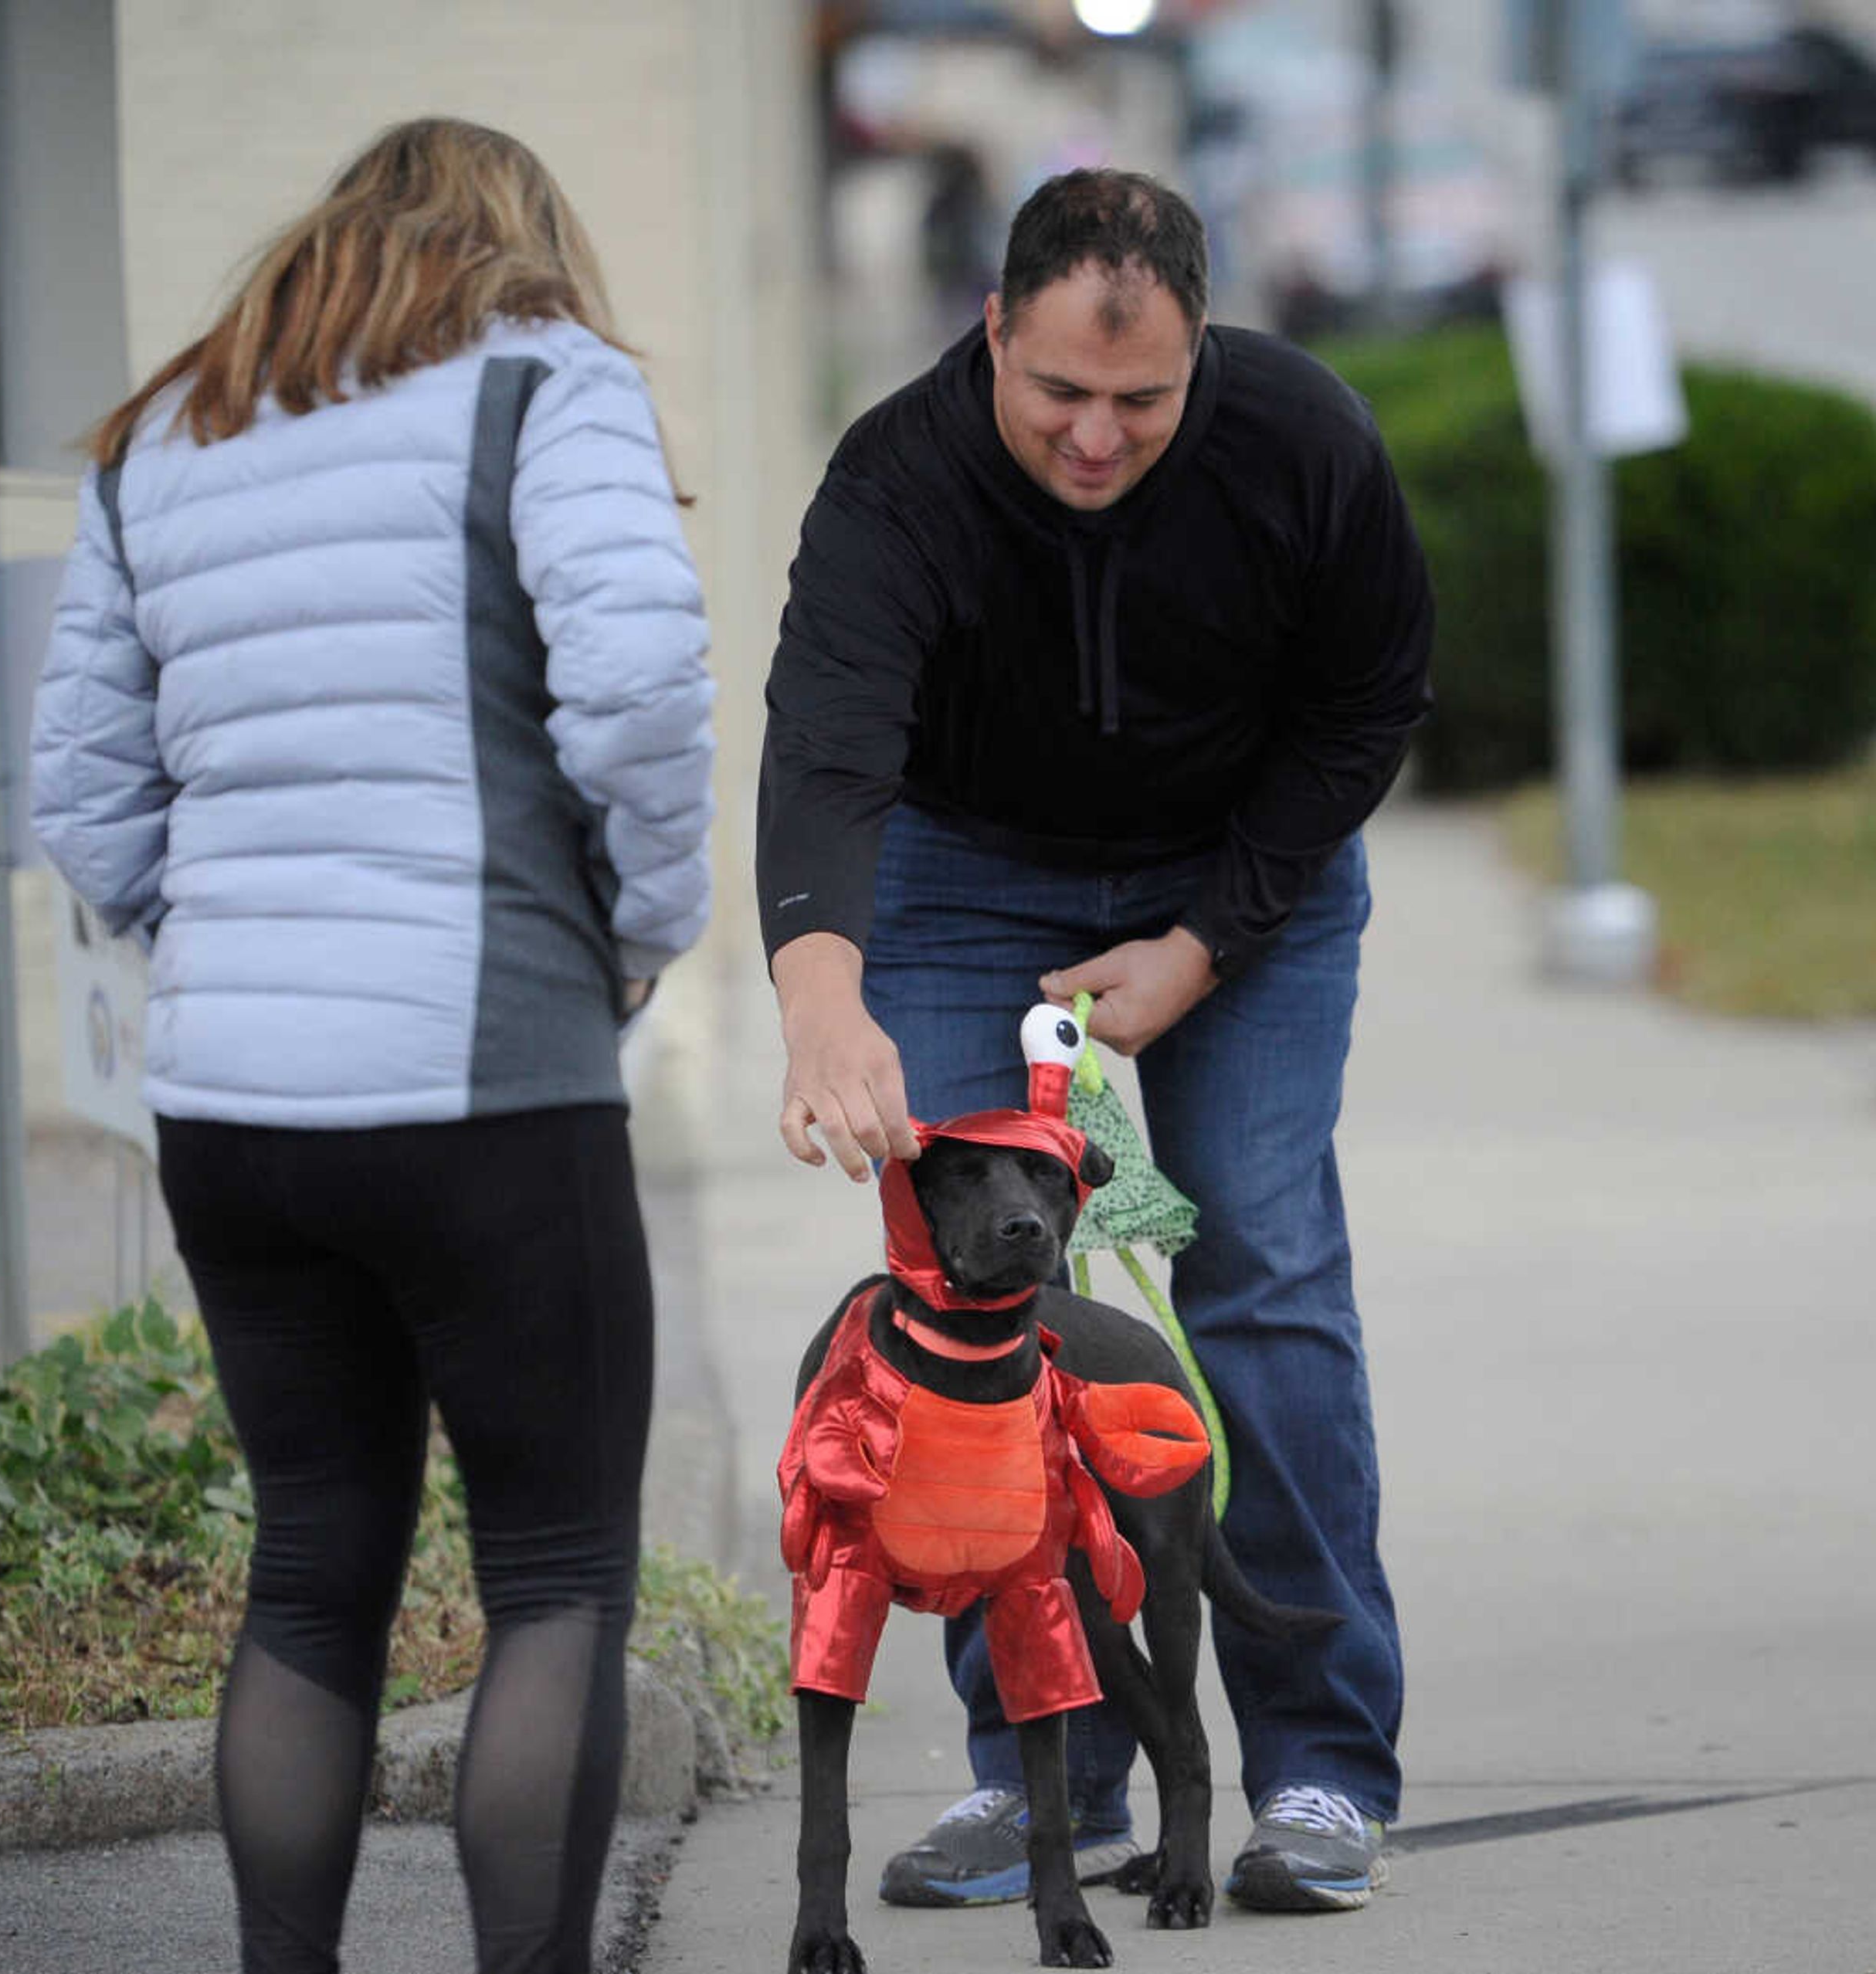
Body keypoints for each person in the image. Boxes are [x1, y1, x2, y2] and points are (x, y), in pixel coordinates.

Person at [29, 117, 714, 1974]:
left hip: (235, 1107)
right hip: (484, 1076)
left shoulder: (166, 438)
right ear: (522, 248)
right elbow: (642, 676)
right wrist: (641, 925)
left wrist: (236, 937)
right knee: (559, 1577)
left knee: (314, 1574)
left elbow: (82, 803)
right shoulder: (544, 384)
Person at [756, 165, 1430, 1915]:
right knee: (980, 1304)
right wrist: (819, 999)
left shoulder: (1301, 440)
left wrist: (1207, 945)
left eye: (1144, 397)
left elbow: (1370, 704)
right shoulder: (899, 477)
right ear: (993, 329)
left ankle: (1322, 1774)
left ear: (1206, 346)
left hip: (1240, 876)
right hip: (966, 872)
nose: (1097, 436)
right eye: (1058, 391)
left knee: (1261, 1268)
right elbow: (829, 743)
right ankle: (1042, 1780)